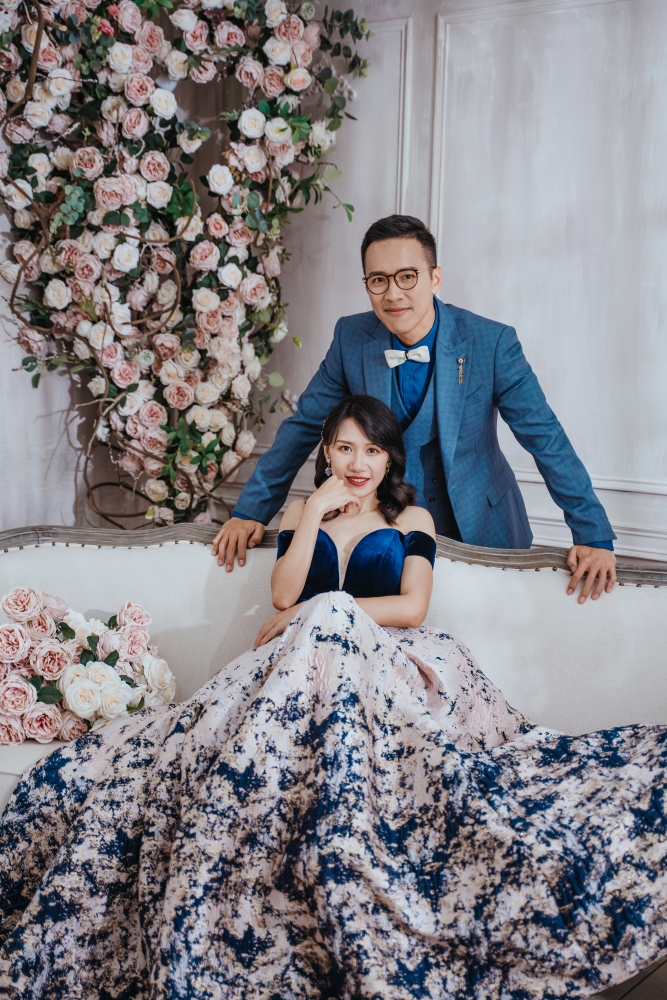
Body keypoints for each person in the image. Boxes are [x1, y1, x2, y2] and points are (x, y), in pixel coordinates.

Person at [1, 395, 666, 1000]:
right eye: (345, 447)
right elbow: (282, 594)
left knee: (333, 618)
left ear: (389, 459)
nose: (357, 463)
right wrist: (315, 516)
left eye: (372, 450)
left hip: (385, 660)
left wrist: (322, 610)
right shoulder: (302, 511)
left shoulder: (411, 516)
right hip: (304, 669)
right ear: (326, 451)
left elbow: (410, 606)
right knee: (220, 711)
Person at [214, 215, 617, 604]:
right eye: (378, 280)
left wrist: (593, 534)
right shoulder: (351, 338)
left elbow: (545, 436)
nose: (393, 294)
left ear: (434, 278)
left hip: (484, 526)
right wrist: (250, 512)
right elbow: (304, 425)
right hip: (391, 534)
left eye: (407, 276)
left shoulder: (491, 343)